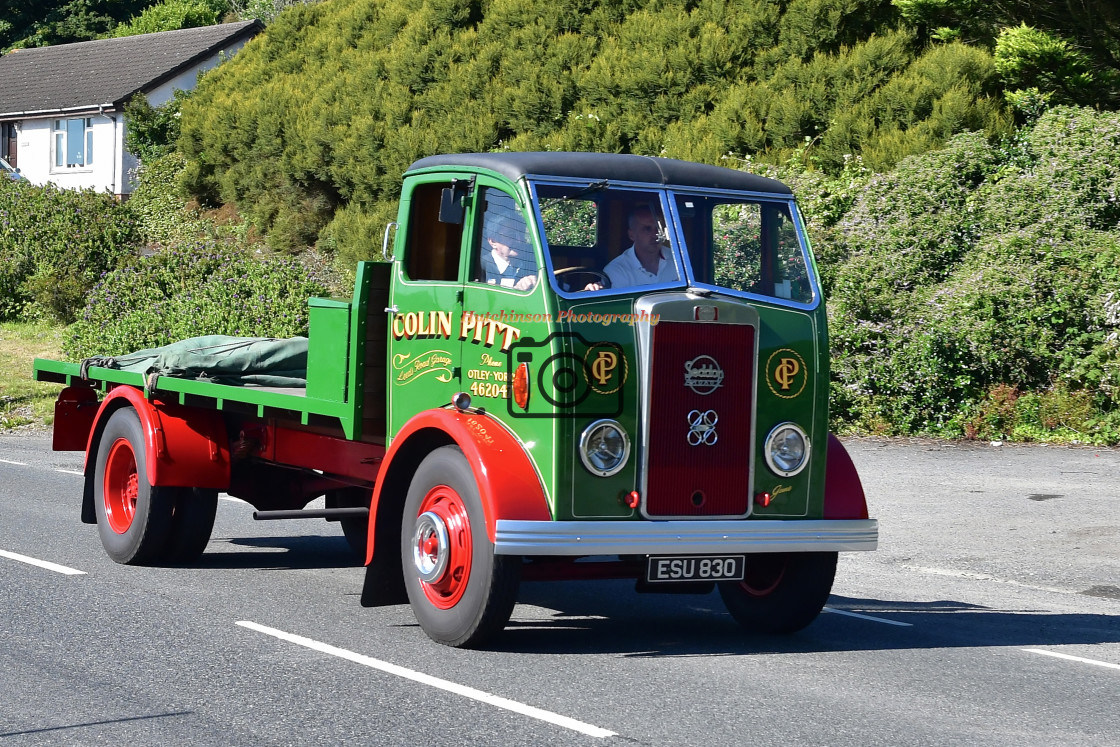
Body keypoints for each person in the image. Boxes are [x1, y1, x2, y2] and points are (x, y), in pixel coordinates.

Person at [584, 206, 678, 290]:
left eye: (658, 229)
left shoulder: (678, 260)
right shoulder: (616, 270)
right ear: (632, 235)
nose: (655, 235)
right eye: (647, 229)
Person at [480, 213, 537, 291]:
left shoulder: (533, 265)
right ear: (493, 241)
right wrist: (517, 290)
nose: (519, 240)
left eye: (521, 234)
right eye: (511, 235)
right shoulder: (481, 267)